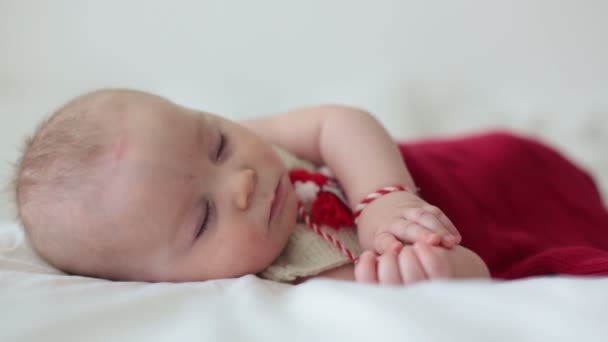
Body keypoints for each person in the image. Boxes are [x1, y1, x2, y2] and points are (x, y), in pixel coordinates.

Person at [14, 89, 608, 285]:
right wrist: (429, 269)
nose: (243, 181)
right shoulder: (313, 278)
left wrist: (385, 200)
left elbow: (338, 121)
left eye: (216, 143)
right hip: (492, 233)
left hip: (492, 170)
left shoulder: (251, 140)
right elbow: (472, 274)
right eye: (201, 221)